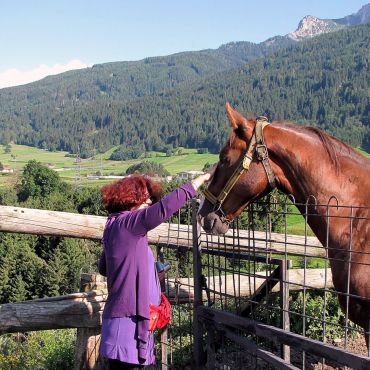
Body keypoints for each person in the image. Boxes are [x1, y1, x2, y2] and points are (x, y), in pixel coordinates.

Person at [98, 168, 215, 370]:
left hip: (122, 325)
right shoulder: (128, 223)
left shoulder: (114, 226)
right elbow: (163, 209)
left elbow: (106, 268)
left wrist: (151, 274)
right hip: (128, 329)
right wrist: (198, 181)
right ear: (131, 198)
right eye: (146, 198)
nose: (150, 203)